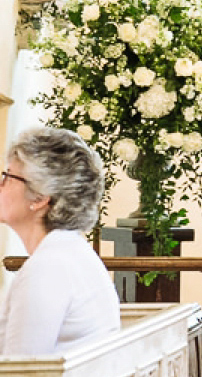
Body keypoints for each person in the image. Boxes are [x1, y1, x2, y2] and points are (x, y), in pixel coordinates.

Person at [0, 127, 119, 353]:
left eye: (8, 176)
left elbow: (20, 374)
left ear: (40, 198)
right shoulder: (67, 251)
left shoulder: (47, 269)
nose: (0, 185)